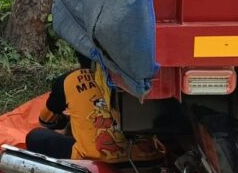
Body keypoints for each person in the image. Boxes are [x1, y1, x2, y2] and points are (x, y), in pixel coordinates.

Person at [27, 52, 160, 162]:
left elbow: (46, 121)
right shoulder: (139, 78)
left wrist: (68, 121)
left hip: (96, 160)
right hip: (148, 155)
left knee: (36, 136)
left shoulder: (68, 80)